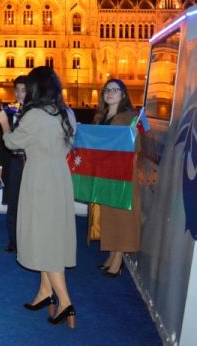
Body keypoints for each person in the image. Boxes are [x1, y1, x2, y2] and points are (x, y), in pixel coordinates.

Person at [0, 66, 78, 328]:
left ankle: (65, 302)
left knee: (43, 236)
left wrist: (4, 123)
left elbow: (12, 143)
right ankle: (44, 291)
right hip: (60, 177)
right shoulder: (68, 114)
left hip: (39, 178)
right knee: (50, 234)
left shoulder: (33, 115)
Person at [92, 79, 140, 277]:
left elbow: (136, 144)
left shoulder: (130, 116)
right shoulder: (101, 116)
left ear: (123, 94)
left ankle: (118, 258)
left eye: (115, 90)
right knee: (109, 215)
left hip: (122, 173)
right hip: (105, 172)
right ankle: (112, 254)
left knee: (121, 216)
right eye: (107, 90)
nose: (110, 93)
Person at [0, 76, 28, 253]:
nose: (20, 94)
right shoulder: (8, 111)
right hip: (12, 163)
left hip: (31, 163)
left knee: (30, 203)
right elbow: (1, 139)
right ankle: (13, 240)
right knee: (13, 203)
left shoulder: (35, 112)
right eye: (17, 90)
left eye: (23, 90)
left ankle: (29, 240)